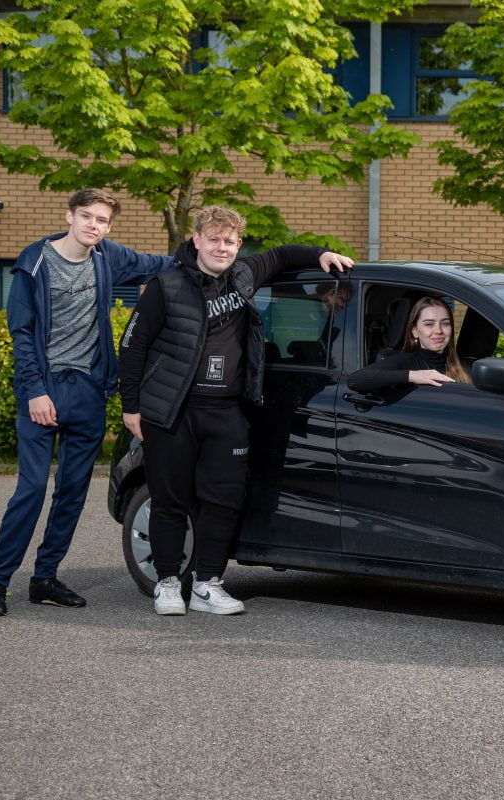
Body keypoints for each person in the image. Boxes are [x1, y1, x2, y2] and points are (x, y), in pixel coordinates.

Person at [118, 205, 353, 616]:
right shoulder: (166, 286)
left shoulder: (244, 274)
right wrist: (131, 407)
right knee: (170, 501)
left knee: (223, 500)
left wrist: (321, 253)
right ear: (197, 240)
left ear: (238, 244)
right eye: (214, 239)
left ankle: (208, 584)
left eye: (229, 241)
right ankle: (168, 582)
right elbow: (132, 346)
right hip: (173, 411)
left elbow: (280, 256)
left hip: (227, 410)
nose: (222, 247)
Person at [0, 188, 176, 617]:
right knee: (30, 489)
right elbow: (22, 334)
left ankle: (45, 578)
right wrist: (35, 391)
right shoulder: (34, 263)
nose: (94, 226)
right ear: (69, 216)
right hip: (43, 389)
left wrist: (209, 249)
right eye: (87, 216)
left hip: (87, 390)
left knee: (72, 493)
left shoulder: (107, 256)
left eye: (102, 221)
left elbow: (161, 264)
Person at [347, 296, 472, 392]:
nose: (438, 330)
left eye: (445, 323)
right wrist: (413, 376)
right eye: (429, 324)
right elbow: (355, 380)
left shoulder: (463, 366)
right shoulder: (406, 362)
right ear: (415, 331)